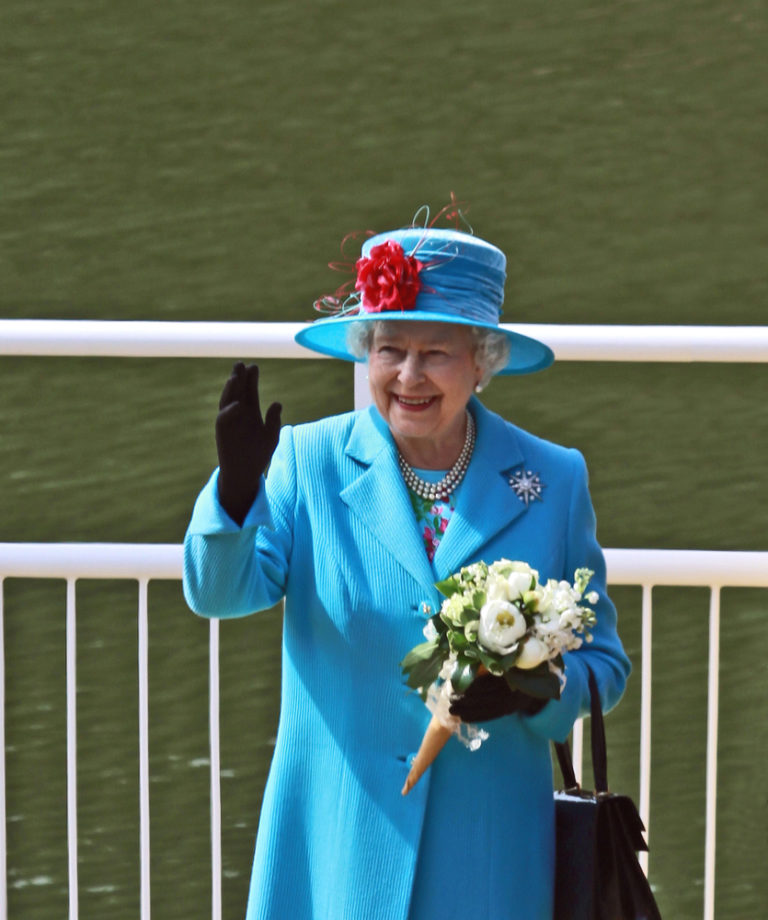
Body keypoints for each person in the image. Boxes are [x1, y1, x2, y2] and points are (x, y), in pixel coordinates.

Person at [183, 217, 631, 920]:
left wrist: (538, 687)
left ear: (482, 361)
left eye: (436, 353)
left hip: (489, 856)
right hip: (335, 850)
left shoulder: (550, 479)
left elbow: (606, 665)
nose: (409, 376)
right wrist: (235, 494)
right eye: (390, 349)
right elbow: (220, 594)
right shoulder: (308, 462)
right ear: (365, 354)